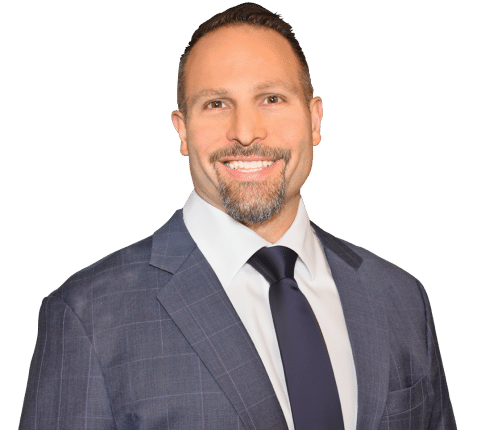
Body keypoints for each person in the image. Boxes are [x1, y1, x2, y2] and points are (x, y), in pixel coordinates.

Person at [19, 3, 457, 429]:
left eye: (271, 98)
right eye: (216, 104)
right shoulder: (86, 315)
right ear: (182, 130)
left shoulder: (400, 297)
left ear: (315, 119)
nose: (246, 132)